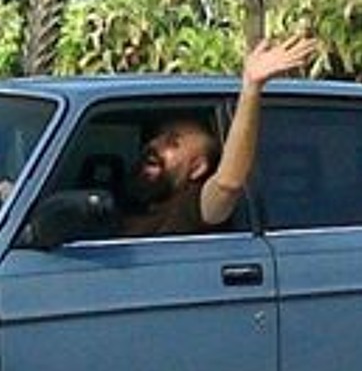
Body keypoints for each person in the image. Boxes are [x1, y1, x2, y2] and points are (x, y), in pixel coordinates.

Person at [120, 35, 318, 237]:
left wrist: (251, 87)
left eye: (173, 143)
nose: (155, 144)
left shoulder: (187, 209)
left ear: (197, 168)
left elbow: (227, 185)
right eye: (157, 136)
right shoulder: (123, 199)